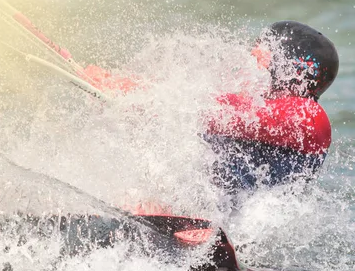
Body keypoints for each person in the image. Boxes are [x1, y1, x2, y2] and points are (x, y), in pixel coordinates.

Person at [83, 20, 339, 193]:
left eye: (261, 57)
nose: (251, 62)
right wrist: (116, 84)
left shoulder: (309, 117)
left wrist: (140, 100)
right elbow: (204, 99)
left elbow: (213, 113)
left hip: (240, 226)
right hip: (216, 207)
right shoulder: (263, 104)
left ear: (291, 68)